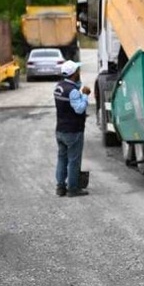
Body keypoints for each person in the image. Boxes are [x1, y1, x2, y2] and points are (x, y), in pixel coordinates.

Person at [53, 59, 91, 197]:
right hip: (73, 131)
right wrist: (85, 95)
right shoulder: (73, 91)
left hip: (60, 130)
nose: (79, 72)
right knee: (74, 160)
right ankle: (73, 189)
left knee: (62, 158)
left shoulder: (59, 87)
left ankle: (60, 187)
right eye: (78, 71)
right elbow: (79, 109)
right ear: (74, 74)